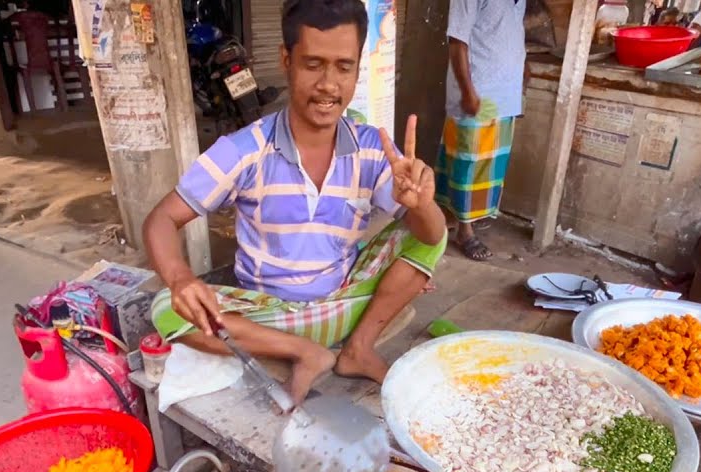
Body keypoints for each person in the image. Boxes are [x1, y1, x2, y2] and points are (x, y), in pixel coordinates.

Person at [144, 0, 447, 405]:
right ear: (286, 60)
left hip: (344, 304)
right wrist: (181, 278)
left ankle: (358, 349)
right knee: (167, 307)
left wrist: (423, 204)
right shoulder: (243, 150)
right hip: (265, 317)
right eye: (313, 64)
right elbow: (161, 219)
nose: (328, 84)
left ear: (358, 68)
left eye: (344, 66)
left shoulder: (374, 150)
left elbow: (429, 235)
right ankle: (304, 352)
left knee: (435, 231)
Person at [437, 0, 527, 261]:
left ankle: (454, 219)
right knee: (468, 165)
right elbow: (457, 41)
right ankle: (465, 231)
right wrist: (467, 91)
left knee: (490, 167)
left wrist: (523, 69)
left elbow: (509, 32)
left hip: (505, 93)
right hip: (479, 95)